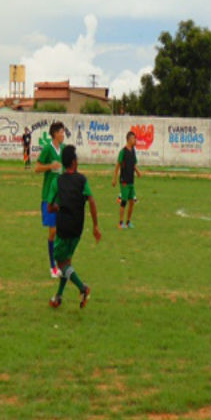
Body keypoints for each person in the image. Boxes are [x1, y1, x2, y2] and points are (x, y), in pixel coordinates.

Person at [46, 145, 101, 308]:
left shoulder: (57, 181)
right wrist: (95, 226)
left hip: (63, 227)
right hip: (78, 229)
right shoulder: (82, 180)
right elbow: (91, 201)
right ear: (73, 162)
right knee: (67, 261)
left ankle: (83, 288)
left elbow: (49, 207)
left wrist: (57, 207)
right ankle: (58, 297)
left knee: (61, 264)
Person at [34, 121, 65, 277]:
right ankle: (53, 266)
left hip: (62, 197)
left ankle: (61, 264)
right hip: (49, 196)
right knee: (53, 231)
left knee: (61, 232)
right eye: (61, 132)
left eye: (64, 132)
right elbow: (37, 168)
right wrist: (50, 166)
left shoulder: (64, 149)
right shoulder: (47, 149)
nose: (63, 135)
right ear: (54, 134)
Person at [112, 131, 141, 229]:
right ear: (129, 139)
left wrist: (138, 172)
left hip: (131, 181)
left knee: (132, 202)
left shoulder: (133, 151)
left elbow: (134, 164)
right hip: (124, 181)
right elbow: (117, 166)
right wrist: (114, 179)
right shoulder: (123, 152)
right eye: (134, 139)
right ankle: (121, 223)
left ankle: (128, 222)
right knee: (124, 202)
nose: (135, 141)